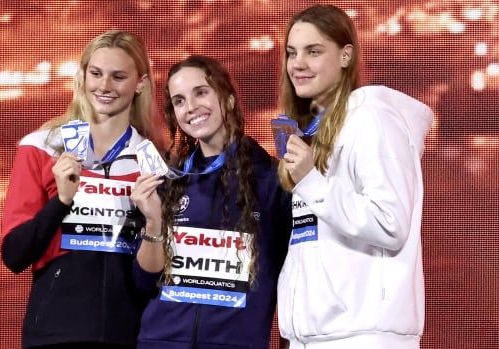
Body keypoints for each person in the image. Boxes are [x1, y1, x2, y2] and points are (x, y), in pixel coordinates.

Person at [275, 4, 433, 349]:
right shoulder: (315, 131)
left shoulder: (371, 119)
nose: (297, 64)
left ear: (346, 56)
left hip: (363, 337)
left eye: (313, 52)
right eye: (291, 53)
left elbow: (390, 223)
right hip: (312, 337)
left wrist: (312, 182)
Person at [1, 30, 161, 349]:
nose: (104, 87)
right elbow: (15, 255)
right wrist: (61, 201)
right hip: (55, 332)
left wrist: (154, 223)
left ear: (140, 83)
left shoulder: (153, 160)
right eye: (96, 74)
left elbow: (150, 278)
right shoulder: (41, 147)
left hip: (127, 334)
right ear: (82, 75)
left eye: (118, 77)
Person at [130, 55, 292, 349]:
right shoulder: (168, 181)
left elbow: (291, 280)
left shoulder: (272, 180)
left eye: (200, 92)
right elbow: (144, 283)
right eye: (179, 101)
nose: (190, 107)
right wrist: (154, 220)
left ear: (228, 99)